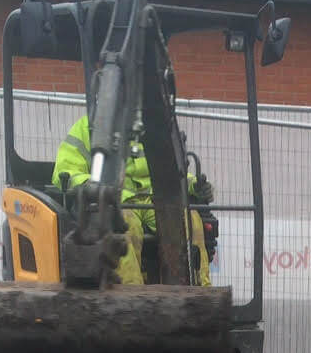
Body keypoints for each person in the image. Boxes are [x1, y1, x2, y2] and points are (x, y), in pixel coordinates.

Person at [52, 114, 214, 286]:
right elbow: (66, 171)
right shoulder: (86, 128)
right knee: (124, 227)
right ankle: (131, 295)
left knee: (188, 220)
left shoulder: (152, 128)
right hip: (117, 202)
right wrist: (93, 188)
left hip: (154, 199)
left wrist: (193, 185)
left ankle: (198, 289)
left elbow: (172, 172)